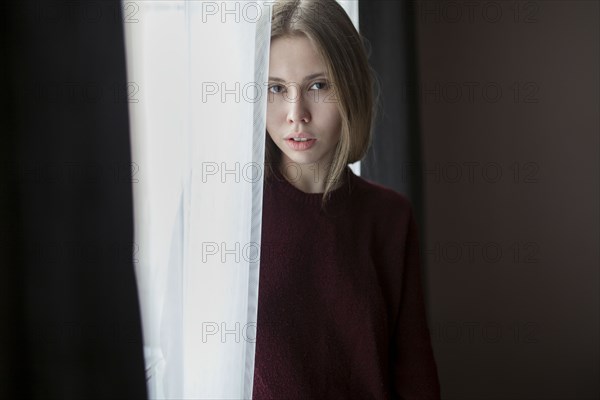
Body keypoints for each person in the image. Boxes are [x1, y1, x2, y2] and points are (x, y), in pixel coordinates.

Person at [253, 0, 441, 398]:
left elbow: (414, 370)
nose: (296, 113)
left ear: (351, 87)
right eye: (275, 88)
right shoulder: (230, 216)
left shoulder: (389, 217)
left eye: (318, 85)